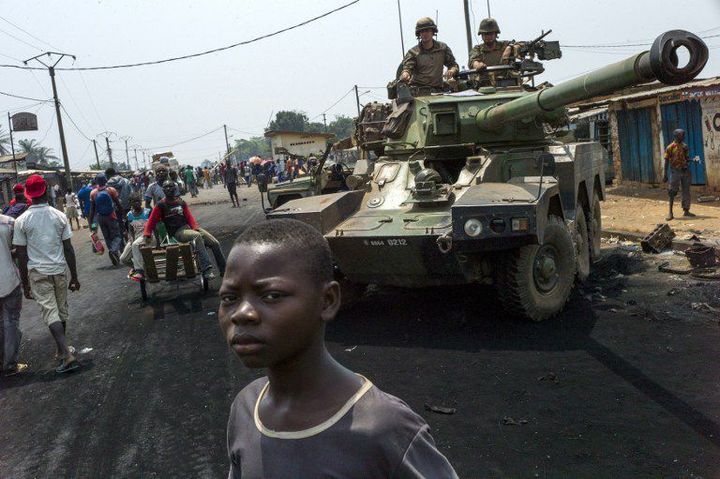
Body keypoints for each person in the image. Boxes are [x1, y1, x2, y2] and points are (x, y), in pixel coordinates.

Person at [219, 219, 458, 478]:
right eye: (229, 298)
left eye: (272, 296)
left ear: (328, 301)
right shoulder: (245, 408)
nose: (241, 314)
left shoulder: (385, 429)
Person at [13, 174, 80, 374]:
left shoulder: (22, 220)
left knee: (51, 312)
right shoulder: (58, 216)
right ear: (45, 191)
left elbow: (21, 256)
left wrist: (25, 284)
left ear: (28, 195)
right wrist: (74, 276)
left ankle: (66, 354)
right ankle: (62, 350)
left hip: (38, 273)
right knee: (60, 311)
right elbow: (68, 248)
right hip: (59, 270)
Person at [143, 180, 226, 279]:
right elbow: (151, 221)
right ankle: (206, 269)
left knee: (215, 243)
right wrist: (147, 233)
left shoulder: (181, 202)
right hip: (178, 232)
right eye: (166, 187)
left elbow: (189, 217)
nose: (169, 189)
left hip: (189, 228)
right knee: (197, 236)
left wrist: (195, 227)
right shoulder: (160, 205)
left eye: (171, 186)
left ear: (175, 188)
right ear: (163, 190)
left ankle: (224, 270)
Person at [399, 17, 459, 93]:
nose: (424, 34)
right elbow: (407, 68)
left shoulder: (442, 48)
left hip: (438, 90)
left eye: (427, 30)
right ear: (419, 33)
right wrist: (405, 74)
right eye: (422, 31)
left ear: (433, 31)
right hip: (418, 91)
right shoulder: (413, 52)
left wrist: (451, 71)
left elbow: (453, 65)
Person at [0, 212, 26, 376]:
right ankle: (10, 364)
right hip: (9, 279)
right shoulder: (9, 222)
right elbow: (19, 250)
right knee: (11, 320)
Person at [88, 173, 124, 265]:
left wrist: (91, 224)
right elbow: (118, 204)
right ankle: (113, 251)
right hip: (111, 216)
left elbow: (92, 211)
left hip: (100, 218)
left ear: (96, 182)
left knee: (107, 237)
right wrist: (123, 215)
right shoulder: (111, 190)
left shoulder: (93, 193)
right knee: (117, 236)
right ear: (106, 180)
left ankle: (114, 257)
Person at [468, 17, 516, 86]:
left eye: (490, 34)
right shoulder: (478, 49)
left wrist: (509, 47)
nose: (488, 37)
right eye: (485, 34)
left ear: (496, 34)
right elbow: (473, 60)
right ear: (481, 35)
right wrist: (478, 64)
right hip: (484, 86)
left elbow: (522, 45)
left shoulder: (504, 45)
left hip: (506, 84)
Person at [663, 128, 696, 220]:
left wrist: (692, 160)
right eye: (682, 135)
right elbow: (666, 161)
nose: (683, 136)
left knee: (686, 191)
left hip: (685, 171)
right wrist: (665, 174)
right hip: (675, 171)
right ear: (676, 136)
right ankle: (670, 212)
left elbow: (686, 158)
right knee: (672, 191)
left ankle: (686, 210)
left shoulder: (685, 146)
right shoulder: (670, 147)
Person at [120, 194, 151, 282]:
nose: (137, 203)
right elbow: (131, 229)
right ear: (130, 203)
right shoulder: (129, 214)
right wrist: (131, 239)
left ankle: (139, 271)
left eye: (138, 201)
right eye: (134, 201)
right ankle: (138, 267)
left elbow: (153, 227)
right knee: (123, 259)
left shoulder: (147, 212)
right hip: (136, 237)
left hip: (147, 236)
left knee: (135, 244)